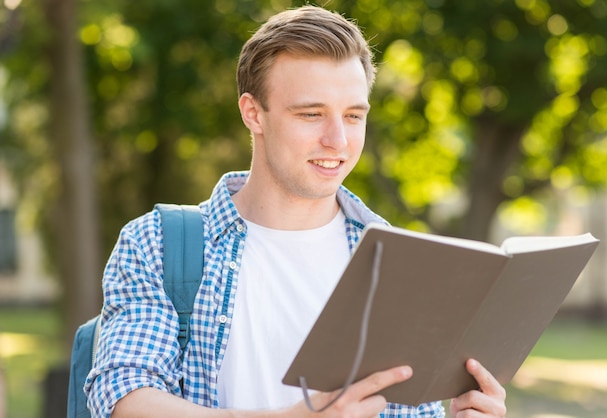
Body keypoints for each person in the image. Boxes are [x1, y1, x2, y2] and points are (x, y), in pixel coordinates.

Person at [85, 5, 507, 418]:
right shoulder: (159, 243)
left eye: (353, 116)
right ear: (254, 113)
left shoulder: (400, 262)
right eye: (311, 114)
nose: (337, 140)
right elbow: (125, 399)